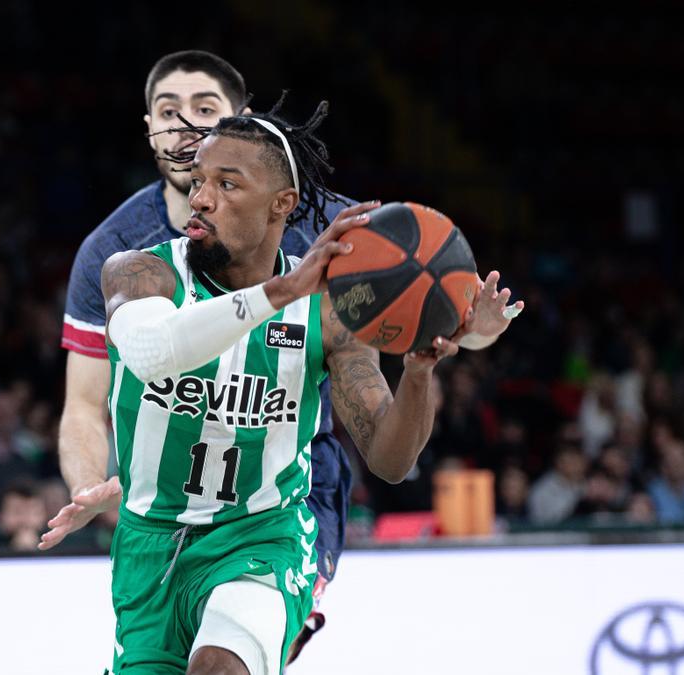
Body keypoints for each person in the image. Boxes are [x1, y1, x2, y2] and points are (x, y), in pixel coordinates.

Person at [43, 100, 519, 673]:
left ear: (282, 204)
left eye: (227, 183)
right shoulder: (140, 272)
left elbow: (392, 461)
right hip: (150, 547)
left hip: (261, 537)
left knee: (221, 666)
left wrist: (420, 370)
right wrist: (281, 292)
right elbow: (150, 353)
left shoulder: (328, 315)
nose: (201, 198)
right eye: (198, 181)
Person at [54, 49, 357, 660]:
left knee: (236, 651)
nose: (185, 124)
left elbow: (408, 308)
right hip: (165, 501)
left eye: (205, 108)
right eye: (168, 111)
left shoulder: (322, 229)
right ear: (147, 127)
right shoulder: (116, 249)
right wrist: (93, 486)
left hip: (283, 491)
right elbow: (84, 404)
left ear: (239, 122)